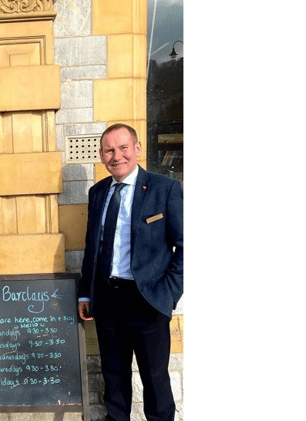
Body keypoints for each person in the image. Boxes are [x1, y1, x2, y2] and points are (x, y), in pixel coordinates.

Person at [77, 123, 183, 421]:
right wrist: (86, 291)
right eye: (109, 150)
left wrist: (168, 293)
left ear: (137, 149)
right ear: (101, 155)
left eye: (123, 148)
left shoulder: (165, 188)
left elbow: (186, 247)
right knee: (114, 376)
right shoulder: (98, 192)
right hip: (108, 300)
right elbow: (92, 247)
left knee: (155, 379)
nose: (117, 156)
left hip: (147, 299)